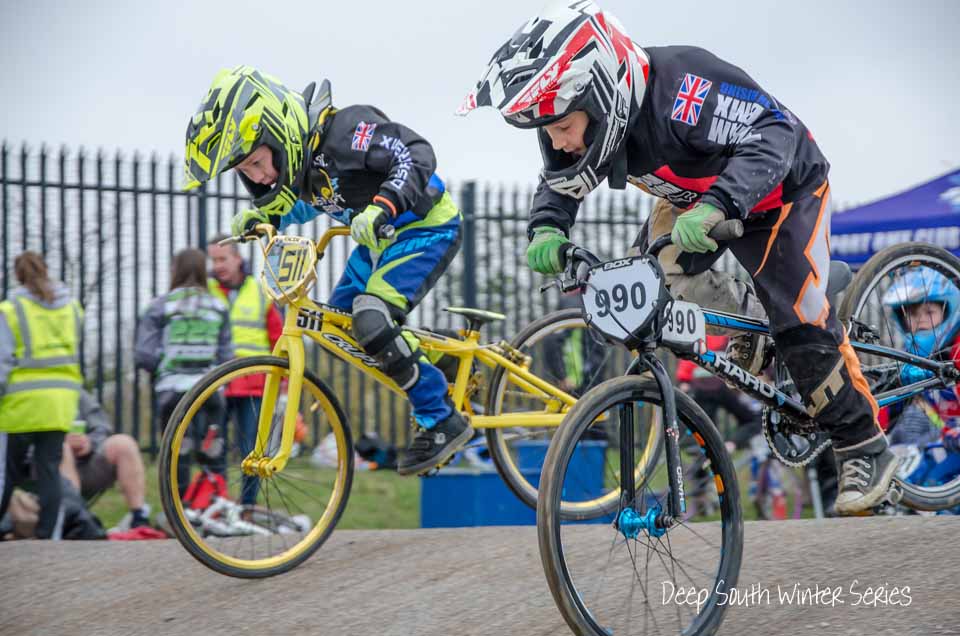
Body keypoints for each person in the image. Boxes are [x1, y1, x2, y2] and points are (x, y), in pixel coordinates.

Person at [460, 0, 894, 514]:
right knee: (646, 289)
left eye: (562, 126)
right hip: (697, 203)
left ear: (603, 98)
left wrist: (719, 203)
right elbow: (561, 182)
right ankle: (753, 328)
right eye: (547, 132)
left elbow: (775, 134)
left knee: (799, 318)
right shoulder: (596, 127)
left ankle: (863, 445)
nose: (559, 142)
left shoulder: (685, 90)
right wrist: (548, 226)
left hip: (784, 192)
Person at [183, 66, 470, 476]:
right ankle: (445, 359)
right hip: (379, 240)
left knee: (371, 320)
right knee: (339, 326)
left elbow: (415, 153)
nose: (260, 177)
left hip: (425, 227)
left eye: (258, 163)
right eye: (247, 172)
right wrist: (264, 217)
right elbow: (307, 202)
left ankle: (440, 418)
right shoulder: (300, 167)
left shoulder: (346, 132)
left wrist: (384, 204)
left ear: (278, 137)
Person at [135, 248, 232, 498]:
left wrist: (163, 366)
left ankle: (179, 508)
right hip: (210, 391)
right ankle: (214, 505)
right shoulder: (218, 307)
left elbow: (144, 355)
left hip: (172, 390)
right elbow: (226, 356)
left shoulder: (160, 306)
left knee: (178, 451)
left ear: (174, 270)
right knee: (213, 449)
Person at [0, 251, 84, 539]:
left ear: (18, 275)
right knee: (49, 469)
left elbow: (3, 360)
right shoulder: (71, 307)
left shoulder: (11, 309)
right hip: (60, 401)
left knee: (7, 473)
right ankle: (48, 535)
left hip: (20, 403)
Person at [206, 235, 283, 505]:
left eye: (222, 259)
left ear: (237, 258)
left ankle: (247, 506)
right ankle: (218, 502)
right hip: (217, 383)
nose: (217, 265)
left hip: (254, 384)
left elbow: (277, 337)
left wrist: (283, 381)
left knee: (251, 448)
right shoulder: (206, 291)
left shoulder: (260, 291)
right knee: (212, 446)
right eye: (213, 260)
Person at [880, 267, 960, 488]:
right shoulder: (911, 356)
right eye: (913, 314)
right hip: (945, 442)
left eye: (929, 312)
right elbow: (888, 411)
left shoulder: (957, 349)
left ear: (949, 309)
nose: (921, 321)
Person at [59, 389, 151, 531]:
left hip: (86, 462)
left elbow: (102, 427)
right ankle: (77, 518)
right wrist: (59, 442)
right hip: (47, 469)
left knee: (124, 443)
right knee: (64, 450)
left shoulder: (75, 391)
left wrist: (89, 444)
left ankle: (139, 518)